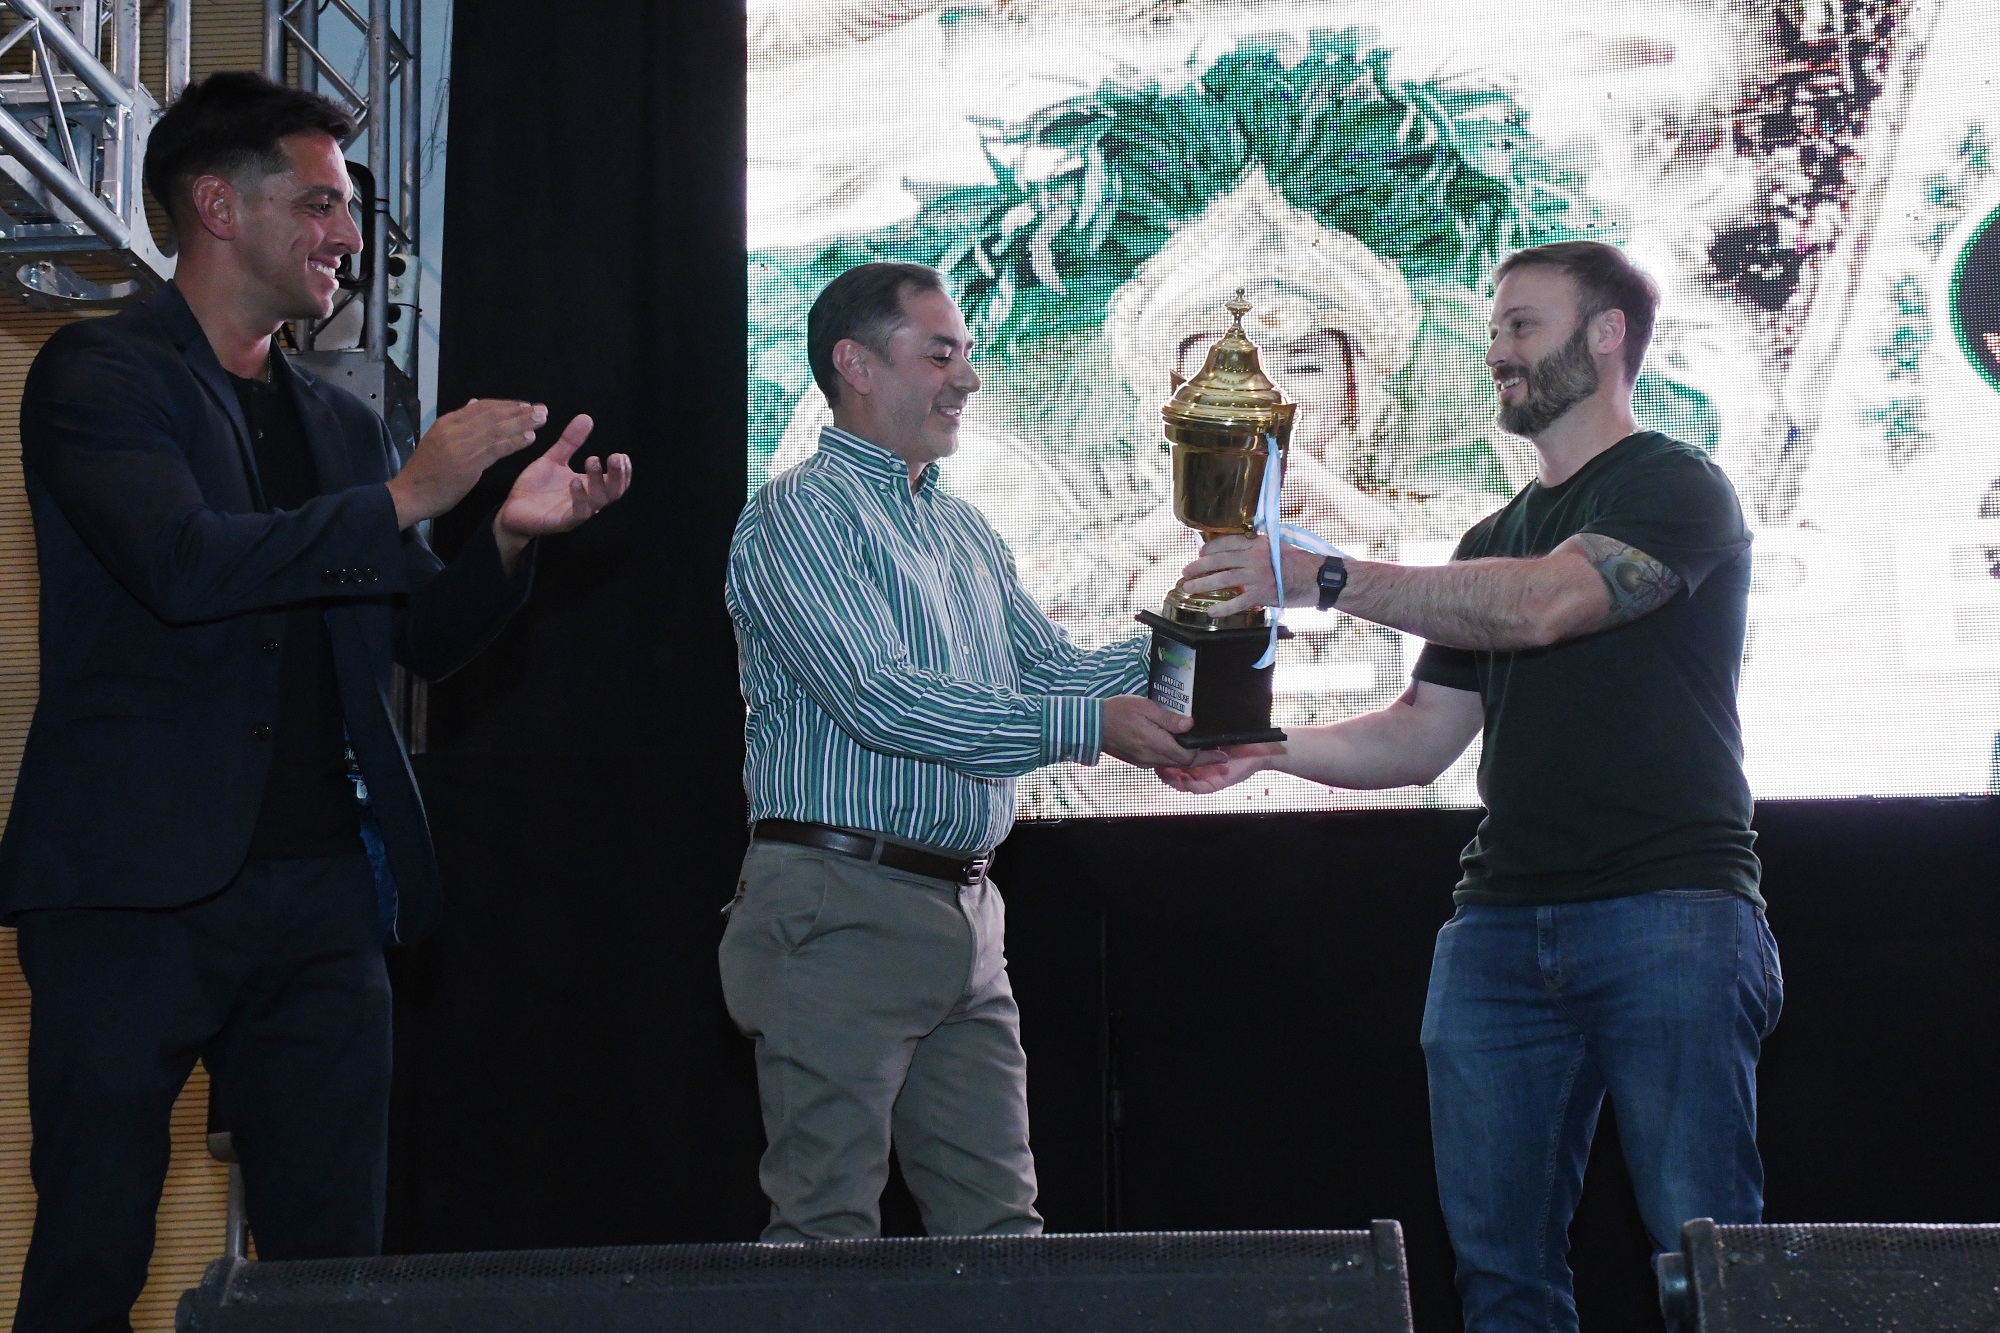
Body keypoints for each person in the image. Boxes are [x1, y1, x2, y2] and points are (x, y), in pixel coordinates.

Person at [0, 72, 630, 1332]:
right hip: (130, 890)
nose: (347, 232)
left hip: (324, 896)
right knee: (91, 1246)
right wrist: (406, 497)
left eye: (349, 207)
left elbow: (417, 640)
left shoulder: (341, 424)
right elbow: (182, 567)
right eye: (321, 202)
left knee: (332, 1270)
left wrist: (506, 536)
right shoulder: (99, 374)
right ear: (217, 205)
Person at [1163, 241, 1782, 1333]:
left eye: (1522, 326)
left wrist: (1321, 575)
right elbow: (1418, 736)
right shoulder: (1489, 536)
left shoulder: (1672, 482)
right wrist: (1259, 747)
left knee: (1708, 1257)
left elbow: (1544, 607)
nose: (1498, 350)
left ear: (1607, 336)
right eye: (1494, 329)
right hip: (1497, 930)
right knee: (1497, 1271)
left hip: (1668, 907)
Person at [722, 260, 1215, 1241]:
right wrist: (1090, 729)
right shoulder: (794, 517)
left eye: (967, 354)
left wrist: (1198, 629)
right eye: (941, 353)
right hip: (839, 905)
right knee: (825, 1228)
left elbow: (1053, 672)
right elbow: (881, 701)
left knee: (1000, 1233)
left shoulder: (962, 530)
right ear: (856, 364)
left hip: (966, 913)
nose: (969, 378)